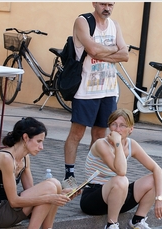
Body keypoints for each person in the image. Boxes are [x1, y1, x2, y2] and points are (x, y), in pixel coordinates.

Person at [0, 117, 77, 229]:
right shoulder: (6, 158)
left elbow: (31, 193)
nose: (41, 147)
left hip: (10, 209)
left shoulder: (25, 158)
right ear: (25, 138)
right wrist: (50, 197)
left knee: (55, 184)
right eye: (39, 141)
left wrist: (61, 193)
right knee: (50, 189)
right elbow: (14, 201)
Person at [80, 108, 162, 229]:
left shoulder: (132, 144)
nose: (117, 129)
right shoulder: (101, 144)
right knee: (121, 179)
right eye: (114, 124)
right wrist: (118, 143)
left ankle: (137, 222)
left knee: (153, 178)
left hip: (118, 196)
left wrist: (159, 198)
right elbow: (121, 171)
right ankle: (110, 227)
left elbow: (157, 169)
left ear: (130, 129)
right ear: (109, 127)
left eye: (122, 125)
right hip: (94, 197)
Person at [64, 2, 129, 180]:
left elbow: (125, 55)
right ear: (94, 3)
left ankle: (91, 177)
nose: (106, 7)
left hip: (108, 91)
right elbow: (91, 50)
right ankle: (69, 175)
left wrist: (102, 53)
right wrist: (114, 48)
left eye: (110, 4)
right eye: (102, 3)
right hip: (86, 90)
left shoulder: (114, 26)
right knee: (76, 133)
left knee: (100, 136)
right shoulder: (83, 21)